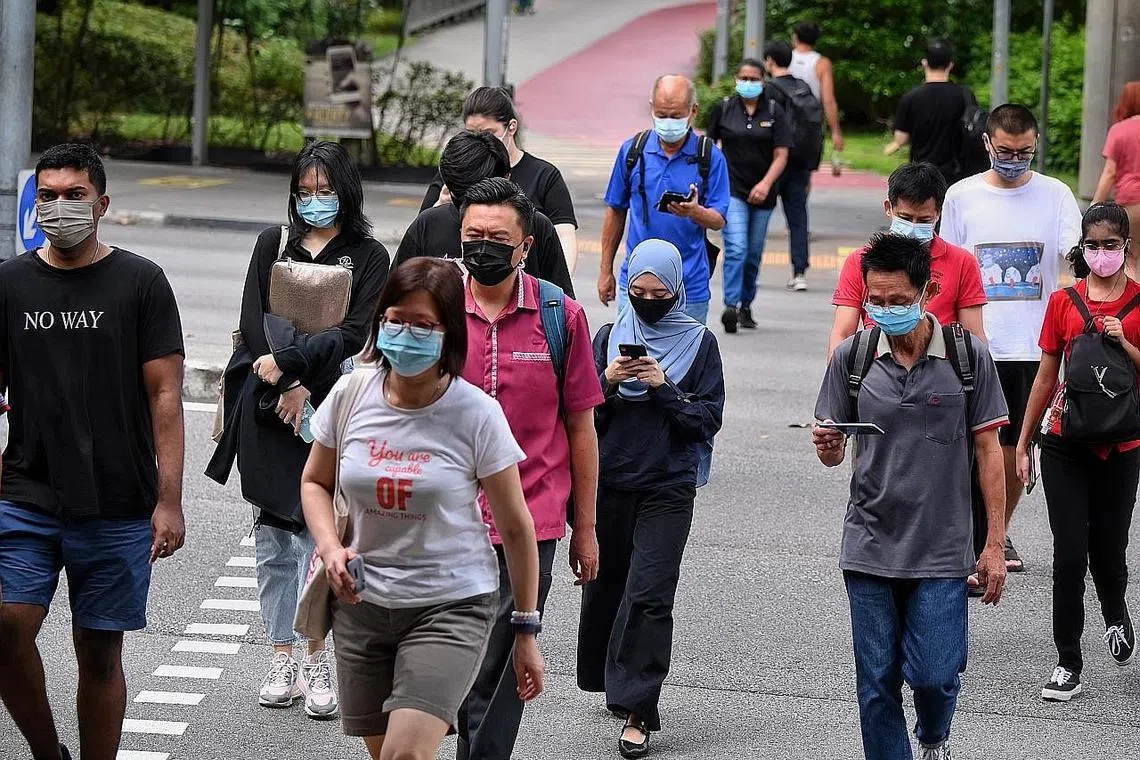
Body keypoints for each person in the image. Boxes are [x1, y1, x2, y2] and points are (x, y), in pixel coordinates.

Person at [300, 257, 545, 760]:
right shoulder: (351, 394)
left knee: (405, 755)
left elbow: (517, 528)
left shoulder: (476, 414)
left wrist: (525, 629)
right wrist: (329, 548)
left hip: (450, 603)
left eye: (423, 325)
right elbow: (314, 482)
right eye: (396, 320)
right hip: (362, 603)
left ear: (449, 333)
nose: (406, 334)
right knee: (386, 754)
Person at [0, 143, 186, 760]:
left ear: (102, 204)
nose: (60, 207)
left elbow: (165, 397)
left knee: (100, 652)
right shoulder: (10, 283)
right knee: (7, 625)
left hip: (117, 498)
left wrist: (169, 500)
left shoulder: (141, 283)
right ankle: (47, 753)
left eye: (74, 195)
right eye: (48, 196)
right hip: (26, 493)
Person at [205, 141, 390, 719]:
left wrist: (299, 377)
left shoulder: (369, 255)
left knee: (322, 536)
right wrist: (282, 380)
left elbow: (355, 333)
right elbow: (251, 321)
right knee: (273, 541)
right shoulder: (272, 243)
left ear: (346, 192)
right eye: (304, 192)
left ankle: (316, 656)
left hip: (330, 406)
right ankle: (280, 655)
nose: (314, 201)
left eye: (325, 191)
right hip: (267, 405)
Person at [813, 232, 1009, 760]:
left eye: (898, 300)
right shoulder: (852, 357)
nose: (885, 310)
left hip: (942, 548)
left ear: (927, 292)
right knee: (876, 681)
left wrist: (994, 544)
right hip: (869, 544)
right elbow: (832, 450)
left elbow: (989, 452)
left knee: (935, 675)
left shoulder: (967, 358)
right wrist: (829, 446)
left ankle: (933, 737)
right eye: (875, 300)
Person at [455, 177, 604, 760]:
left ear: (526, 247)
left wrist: (584, 529)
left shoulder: (561, 316)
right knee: (454, 661)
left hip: (530, 521)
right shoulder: (435, 310)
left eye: (498, 239)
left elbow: (581, 428)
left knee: (499, 667)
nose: (483, 247)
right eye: (473, 235)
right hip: (445, 519)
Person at [578, 239, 724, 759]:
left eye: (660, 294)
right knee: (607, 587)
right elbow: (579, 417)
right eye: (638, 291)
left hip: (668, 486)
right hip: (610, 483)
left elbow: (706, 420)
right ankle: (612, 678)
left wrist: (664, 387)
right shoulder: (606, 338)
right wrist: (606, 382)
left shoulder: (700, 345)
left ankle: (639, 710)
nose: (648, 302)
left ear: (678, 291)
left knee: (651, 594)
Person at [941, 104, 1082, 575]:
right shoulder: (961, 196)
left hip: (1032, 345)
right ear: (987, 144)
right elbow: (946, 264)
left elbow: (1075, 254)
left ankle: (997, 532)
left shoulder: (1056, 195)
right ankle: (972, 533)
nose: (1014, 159)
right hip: (974, 342)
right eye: (1005, 151)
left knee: (1016, 447)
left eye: (1023, 151)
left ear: (1036, 144)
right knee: (967, 442)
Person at [1014, 202, 1140, 702]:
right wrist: (1024, 441)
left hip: (1122, 446)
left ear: (1126, 246)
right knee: (1068, 555)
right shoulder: (1063, 302)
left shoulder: (1138, 303)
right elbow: (1046, 374)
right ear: (1082, 247)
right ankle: (1068, 661)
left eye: (1111, 245)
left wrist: (1125, 343)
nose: (1101, 253)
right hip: (1065, 444)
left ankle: (1115, 610)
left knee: (1109, 551)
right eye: (1093, 245)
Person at [599, 74, 730, 324]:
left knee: (688, 350)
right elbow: (615, 210)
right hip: (636, 284)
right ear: (651, 108)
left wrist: (694, 212)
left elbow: (718, 220)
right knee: (631, 350)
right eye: (661, 114)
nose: (668, 122)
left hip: (689, 287)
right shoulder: (633, 152)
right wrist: (606, 271)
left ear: (693, 111)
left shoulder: (709, 156)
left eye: (676, 116)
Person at [829, 162, 986, 357]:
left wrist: (980, 372)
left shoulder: (962, 263)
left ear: (938, 213)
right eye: (905, 217)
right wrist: (836, 373)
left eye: (924, 220)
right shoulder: (860, 261)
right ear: (889, 208)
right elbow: (842, 333)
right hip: (878, 369)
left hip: (940, 370)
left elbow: (973, 336)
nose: (913, 227)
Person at [420, 87, 579, 272]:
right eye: (471, 134)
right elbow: (422, 231)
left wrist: (559, 282)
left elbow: (564, 236)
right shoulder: (455, 172)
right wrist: (442, 206)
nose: (480, 141)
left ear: (511, 127)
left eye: (488, 133)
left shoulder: (544, 176)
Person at [396, 130, 574, 296]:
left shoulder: (536, 225)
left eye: (499, 237)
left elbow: (562, 304)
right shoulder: (428, 225)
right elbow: (394, 299)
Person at [707, 58, 793, 333]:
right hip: (732, 190)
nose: (748, 83)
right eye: (743, 78)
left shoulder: (774, 111)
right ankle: (731, 305)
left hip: (764, 193)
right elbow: (708, 148)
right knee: (737, 248)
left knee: (753, 254)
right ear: (736, 79)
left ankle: (746, 303)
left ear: (763, 81)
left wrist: (766, 184)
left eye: (754, 79)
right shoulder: (724, 108)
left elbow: (782, 154)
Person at [763, 41, 824, 292]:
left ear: (769, 61)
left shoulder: (769, 90)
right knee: (798, 218)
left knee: (759, 217)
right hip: (800, 163)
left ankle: (750, 268)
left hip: (774, 163)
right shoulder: (803, 87)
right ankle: (799, 272)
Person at [885, 39, 982, 186]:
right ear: (950, 65)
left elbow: (901, 139)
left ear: (925, 63)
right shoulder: (965, 95)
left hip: (923, 176)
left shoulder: (911, 98)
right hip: (957, 176)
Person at [1093, 82, 1140, 277]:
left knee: (1130, 256)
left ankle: (1133, 297)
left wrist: (1096, 204)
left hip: (1132, 202)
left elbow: (1110, 172)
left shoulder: (1119, 130)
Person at [789, 21, 844, 155]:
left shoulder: (785, 58)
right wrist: (836, 131)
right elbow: (828, 100)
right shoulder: (822, 63)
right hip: (811, 119)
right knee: (807, 162)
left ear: (795, 36)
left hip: (786, 116)